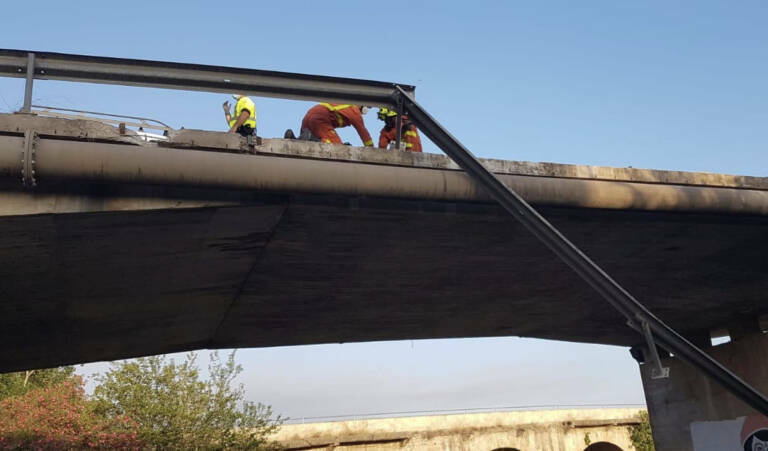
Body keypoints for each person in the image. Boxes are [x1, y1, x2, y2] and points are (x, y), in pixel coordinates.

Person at [297, 103, 374, 146]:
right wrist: (371, 149)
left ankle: (294, 140)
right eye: (367, 108)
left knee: (303, 142)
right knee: (337, 148)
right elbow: (363, 132)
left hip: (308, 116)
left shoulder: (344, 104)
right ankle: (311, 138)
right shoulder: (354, 109)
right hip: (320, 118)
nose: (366, 111)